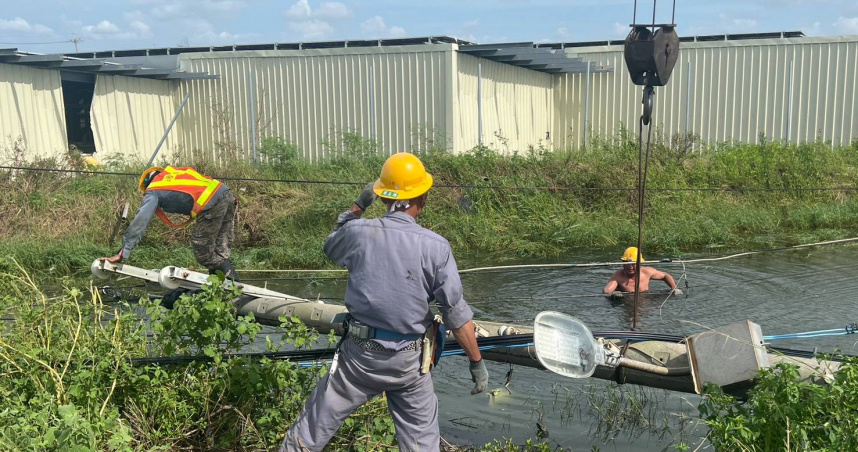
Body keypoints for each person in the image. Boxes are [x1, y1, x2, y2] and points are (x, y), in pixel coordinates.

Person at [281, 153, 488, 452]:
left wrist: (357, 205)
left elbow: (331, 243)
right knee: (422, 444)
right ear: (424, 197)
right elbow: (455, 315)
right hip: (410, 364)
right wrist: (476, 362)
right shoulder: (436, 247)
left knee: (309, 433)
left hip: (358, 360)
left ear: (381, 197)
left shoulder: (357, 233)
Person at [99, 166, 239, 280]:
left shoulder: (153, 190)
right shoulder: (176, 174)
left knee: (203, 250)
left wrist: (124, 251)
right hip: (226, 194)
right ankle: (221, 285)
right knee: (220, 249)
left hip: (211, 202)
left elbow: (140, 221)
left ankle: (233, 282)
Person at [602, 247, 682, 299]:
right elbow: (606, 291)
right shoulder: (618, 276)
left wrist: (674, 288)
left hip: (645, 299)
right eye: (627, 263)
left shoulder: (646, 272)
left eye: (633, 264)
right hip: (626, 302)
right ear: (623, 262)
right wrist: (613, 294)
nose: (630, 266)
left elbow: (665, 275)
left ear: (639, 263)